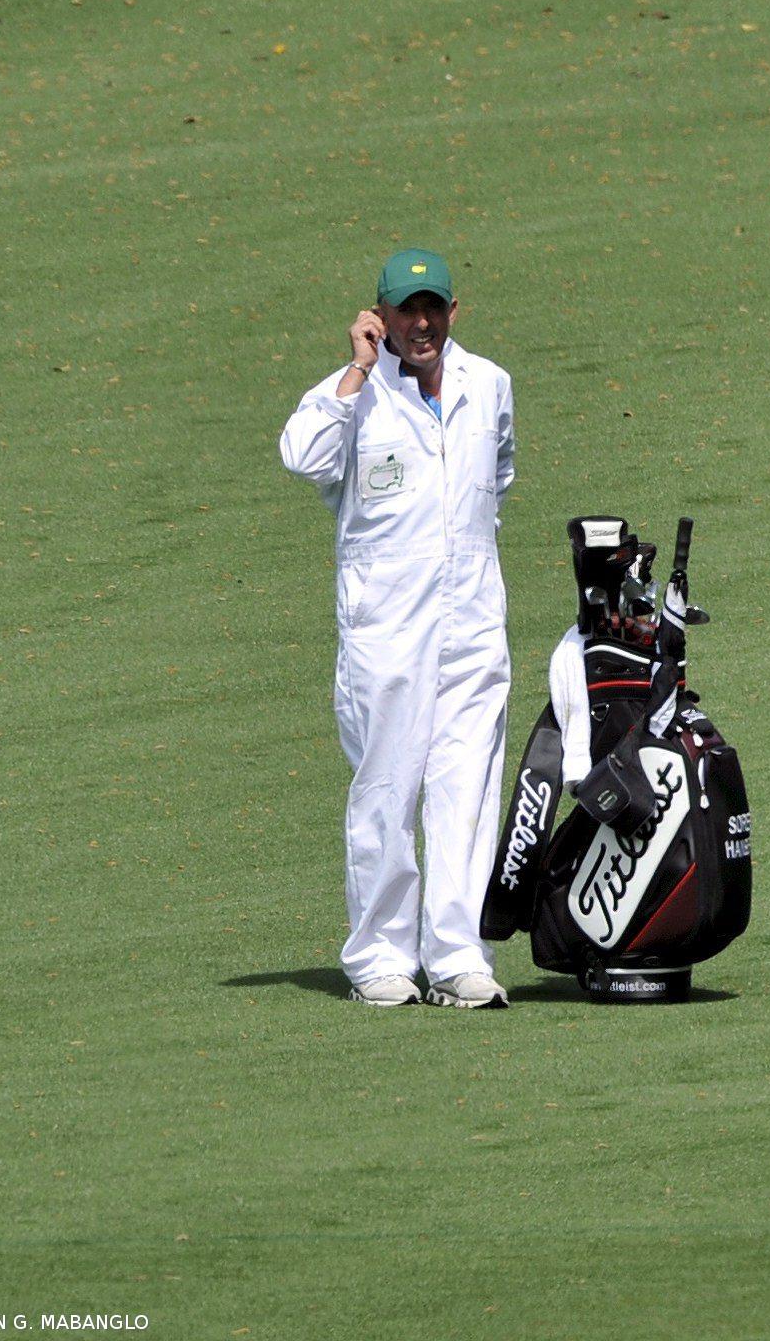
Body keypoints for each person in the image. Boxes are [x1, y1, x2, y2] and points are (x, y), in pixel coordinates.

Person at [278, 248, 518, 1008]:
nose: (422, 324)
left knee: (467, 787)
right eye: (406, 311)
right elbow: (301, 455)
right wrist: (353, 372)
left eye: (434, 309)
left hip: (474, 618)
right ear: (378, 317)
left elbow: (498, 475)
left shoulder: (490, 385)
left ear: (453, 311)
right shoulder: (352, 397)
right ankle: (380, 955)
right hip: (386, 627)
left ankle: (457, 954)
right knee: (385, 786)